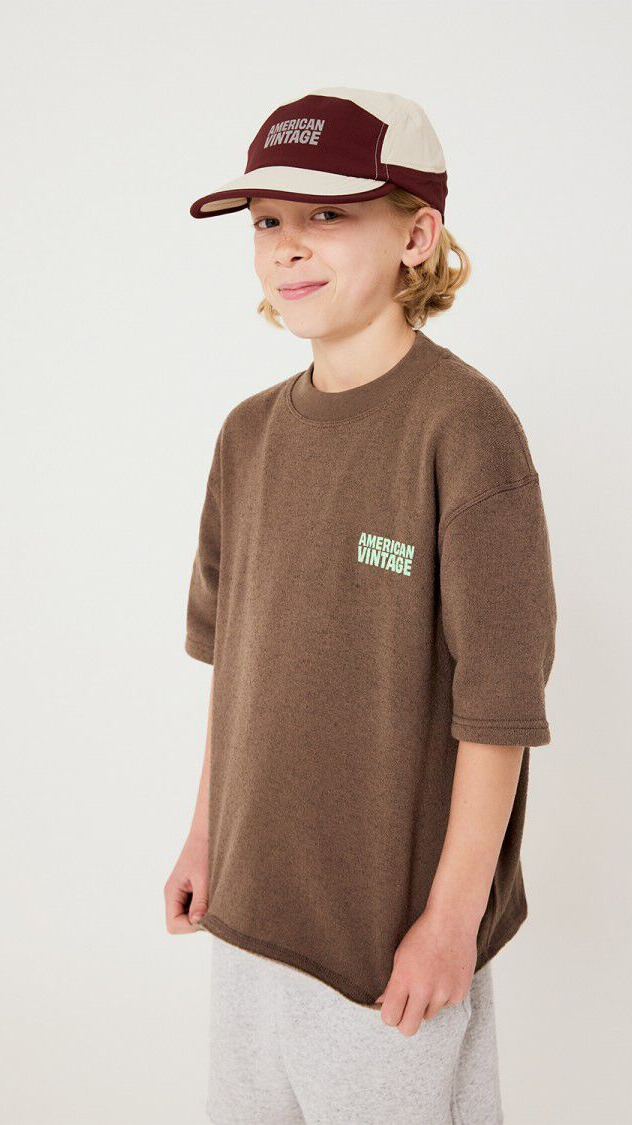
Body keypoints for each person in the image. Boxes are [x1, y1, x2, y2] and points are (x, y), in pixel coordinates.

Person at [164, 86, 557, 1124]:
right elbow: (234, 668)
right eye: (266, 222)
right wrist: (205, 838)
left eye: (327, 214)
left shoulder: (462, 428)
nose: (287, 246)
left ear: (416, 236)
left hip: (385, 945)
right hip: (250, 917)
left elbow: (499, 707)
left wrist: (451, 920)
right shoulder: (247, 436)